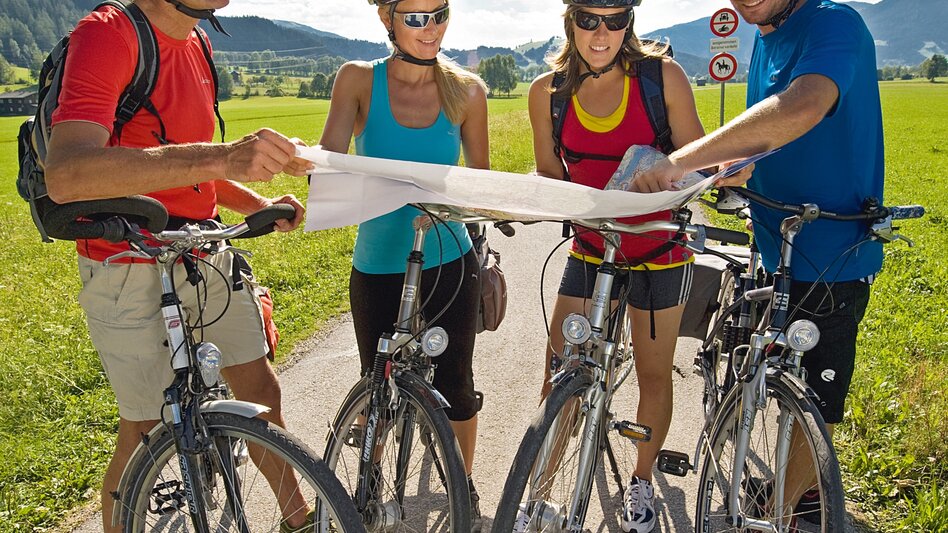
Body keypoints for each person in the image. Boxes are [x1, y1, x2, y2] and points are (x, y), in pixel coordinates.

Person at [42, 1, 311, 531]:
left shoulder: (197, 42)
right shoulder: (110, 33)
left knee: (261, 391)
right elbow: (66, 174)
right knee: (146, 427)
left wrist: (256, 204)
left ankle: (299, 519)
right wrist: (224, 156)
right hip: (126, 260)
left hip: (201, 249)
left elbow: (185, 164)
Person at [634, 0, 884, 523]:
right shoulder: (766, 33)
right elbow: (772, 138)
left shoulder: (833, 22)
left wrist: (682, 160)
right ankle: (791, 488)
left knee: (813, 405)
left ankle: (781, 509)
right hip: (774, 245)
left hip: (830, 254)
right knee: (771, 380)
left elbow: (803, 105)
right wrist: (735, 163)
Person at [527, 0, 716, 530]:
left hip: (659, 252)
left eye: (615, 20)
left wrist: (672, 170)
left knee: (653, 374)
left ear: (629, 23)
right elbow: (550, 174)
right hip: (592, 249)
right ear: (570, 20)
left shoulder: (662, 79)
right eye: (589, 19)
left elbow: (698, 158)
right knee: (559, 373)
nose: (601, 32)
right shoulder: (548, 92)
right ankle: (538, 493)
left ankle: (641, 480)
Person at [316, 0, 489, 529]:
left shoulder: (467, 92)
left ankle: (461, 484)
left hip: (448, 258)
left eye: (439, 13)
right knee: (377, 385)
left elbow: (480, 182)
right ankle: (367, 485)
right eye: (415, 17)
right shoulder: (357, 81)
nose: (430, 28)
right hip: (379, 261)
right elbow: (328, 165)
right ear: (386, 19)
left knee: (455, 383)